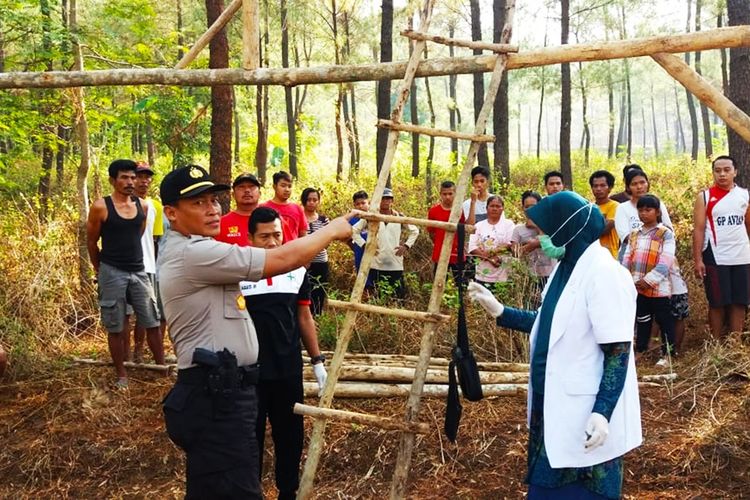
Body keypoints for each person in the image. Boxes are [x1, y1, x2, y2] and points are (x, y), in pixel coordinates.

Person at [158, 165, 353, 499]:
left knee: (219, 486)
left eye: (212, 200)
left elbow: (298, 305)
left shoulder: (196, 249)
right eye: (198, 203)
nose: (212, 208)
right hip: (214, 395)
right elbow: (278, 260)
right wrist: (332, 231)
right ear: (172, 213)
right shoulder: (194, 253)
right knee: (233, 489)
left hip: (226, 391)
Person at [468, 191, 642, 499]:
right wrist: (500, 311)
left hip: (584, 409)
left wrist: (602, 411)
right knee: (549, 482)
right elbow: (548, 321)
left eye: (549, 231)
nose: (544, 237)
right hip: (553, 403)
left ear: (569, 230)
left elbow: (618, 351)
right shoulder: (565, 269)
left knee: (583, 485)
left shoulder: (605, 275)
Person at [241, 207, 328, 500]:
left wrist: (317, 362)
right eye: (264, 236)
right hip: (248, 371)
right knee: (249, 436)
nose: (271, 242)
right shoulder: (237, 272)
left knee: (289, 434)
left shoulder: (296, 270)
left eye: (276, 235)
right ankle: (250, 490)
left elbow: (304, 317)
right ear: (250, 238)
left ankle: (287, 490)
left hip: (287, 367)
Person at [86, 159, 164, 388]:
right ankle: (121, 374)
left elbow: (138, 235)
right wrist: (99, 269)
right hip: (112, 271)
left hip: (139, 269)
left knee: (152, 320)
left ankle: (161, 368)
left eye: (133, 177)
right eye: (124, 177)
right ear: (113, 180)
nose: (130, 182)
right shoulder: (101, 206)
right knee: (117, 324)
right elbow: (91, 241)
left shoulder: (143, 206)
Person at [692, 155, 750, 338]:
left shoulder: (745, 195)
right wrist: (698, 259)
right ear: (713, 173)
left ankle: (735, 343)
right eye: (718, 171)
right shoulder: (705, 196)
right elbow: (699, 229)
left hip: (742, 255)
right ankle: (715, 344)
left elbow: (748, 224)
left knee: (740, 301)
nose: (722, 174)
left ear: (735, 172)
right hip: (715, 256)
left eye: (726, 170)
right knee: (717, 302)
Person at [621, 195, 677, 366]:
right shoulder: (634, 234)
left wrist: (649, 280)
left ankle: (668, 354)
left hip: (658, 287)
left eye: (648, 210)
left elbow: (666, 260)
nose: (644, 214)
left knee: (664, 320)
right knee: (642, 319)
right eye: (640, 210)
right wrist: (627, 279)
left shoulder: (665, 233)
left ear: (657, 212)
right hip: (637, 286)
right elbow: (626, 257)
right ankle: (641, 350)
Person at [352, 188, 418, 299]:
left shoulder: (399, 217)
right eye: (383, 199)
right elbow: (354, 230)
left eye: (388, 198)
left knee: (398, 297)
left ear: (392, 201)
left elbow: (415, 231)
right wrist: (365, 245)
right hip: (377, 263)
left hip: (395, 263)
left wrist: (406, 246)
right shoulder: (372, 217)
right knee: (379, 296)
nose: (386, 201)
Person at [129, 161, 165, 364]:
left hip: (148, 266)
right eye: (139, 176)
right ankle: (126, 354)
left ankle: (140, 352)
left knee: (148, 313)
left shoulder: (156, 206)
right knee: (125, 315)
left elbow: (155, 239)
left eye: (147, 177)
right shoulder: (119, 203)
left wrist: (157, 265)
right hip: (123, 266)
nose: (144, 181)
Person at [511, 191, 554, 306]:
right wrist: (530, 246)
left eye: (533, 207)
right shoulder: (518, 230)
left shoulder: (551, 226)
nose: (530, 210)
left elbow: (555, 247)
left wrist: (537, 226)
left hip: (550, 275)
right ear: (522, 208)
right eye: (527, 207)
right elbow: (515, 253)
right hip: (529, 278)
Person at [614, 168, 673, 246]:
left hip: (657, 252)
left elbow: (669, 230)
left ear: (647, 184)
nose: (639, 187)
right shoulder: (622, 208)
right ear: (628, 187)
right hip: (630, 253)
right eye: (634, 184)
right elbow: (625, 237)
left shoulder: (659, 204)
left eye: (642, 182)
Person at [468, 195, 515, 287]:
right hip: (482, 275)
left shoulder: (509, 225)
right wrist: (491, 258)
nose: (494, 209)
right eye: (492, 206)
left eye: (498, 206)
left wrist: (491, 252)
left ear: (502, 209)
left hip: (503, 274)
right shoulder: (479, 225)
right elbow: (472, 247)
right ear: (487, 208)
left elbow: (510, 244)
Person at [427, 181, 466, 282]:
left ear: (455, 194)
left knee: (462, 285)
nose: (447, 197)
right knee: (439, 283)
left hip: (457, 254)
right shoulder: (433, 211)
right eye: (444, 194)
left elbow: (465, 229)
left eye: (450, 194)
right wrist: (440, 243)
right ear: (440, 194)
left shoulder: (460, 211)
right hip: (440, 254)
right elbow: (431, 233)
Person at [301, 187, 330, 316]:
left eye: (315, 200)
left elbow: (327, 240)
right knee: (303, 291)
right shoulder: (299, 218)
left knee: (319, 291)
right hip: (302, 263)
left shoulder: (324, 220)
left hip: (320, 262)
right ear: (304, 200)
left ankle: (317, 317)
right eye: (309, 200)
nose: (312, 202)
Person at [216, 172, 262, 246]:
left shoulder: (274, 220)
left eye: (251, 186)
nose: (247, 190)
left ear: (259, 193)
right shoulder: (221, 224)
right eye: (241, 187)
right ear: (233, 195)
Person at [262, 171, 307, 243]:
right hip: (271, 251)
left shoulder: (297, 209)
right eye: (283, 186)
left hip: (293, 251)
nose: (287, 189)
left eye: (289, 186)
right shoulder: (263, 208)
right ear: (274, 186)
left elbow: (303, 235)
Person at [589, 170, 620, 258]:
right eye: (595, 186)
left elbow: (605, 229)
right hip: (592, 254)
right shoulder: (589, 207)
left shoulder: (615, 206)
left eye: (602, 185)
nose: (598, 189)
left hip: (610, 254)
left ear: (610, 188)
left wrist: (588, 228)